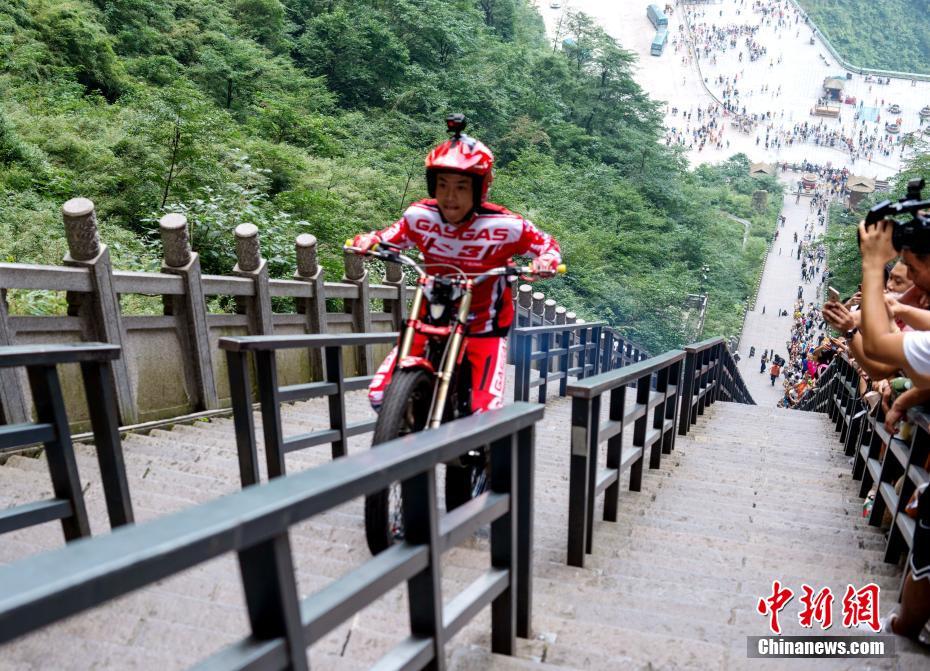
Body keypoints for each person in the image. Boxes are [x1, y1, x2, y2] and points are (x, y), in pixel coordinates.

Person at [350, 115, 561, 413]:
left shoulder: (508, 226)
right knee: (381, 396)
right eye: (442, 185)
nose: (450, 197)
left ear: (479, 189)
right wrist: (368, 241)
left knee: (482, 412)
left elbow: (548, 245)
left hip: (483, 325)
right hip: (429, 317)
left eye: (461, 187)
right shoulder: (419, 216)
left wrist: (545, 261)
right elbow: (389, 237)